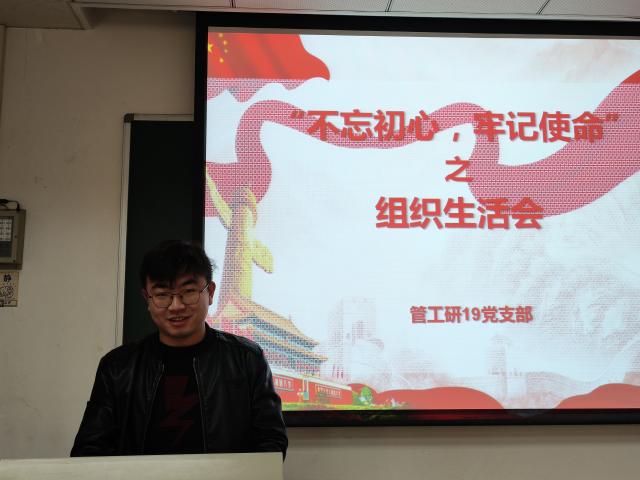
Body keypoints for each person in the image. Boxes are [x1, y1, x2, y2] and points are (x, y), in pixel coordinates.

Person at [70, 240, 287, 457]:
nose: (176, 306)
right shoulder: (118, 367)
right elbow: (89, 448)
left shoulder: (247, 360)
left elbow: (271, 442)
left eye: (188, 291)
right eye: (162, 294)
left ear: (210, 292)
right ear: (147, 298)